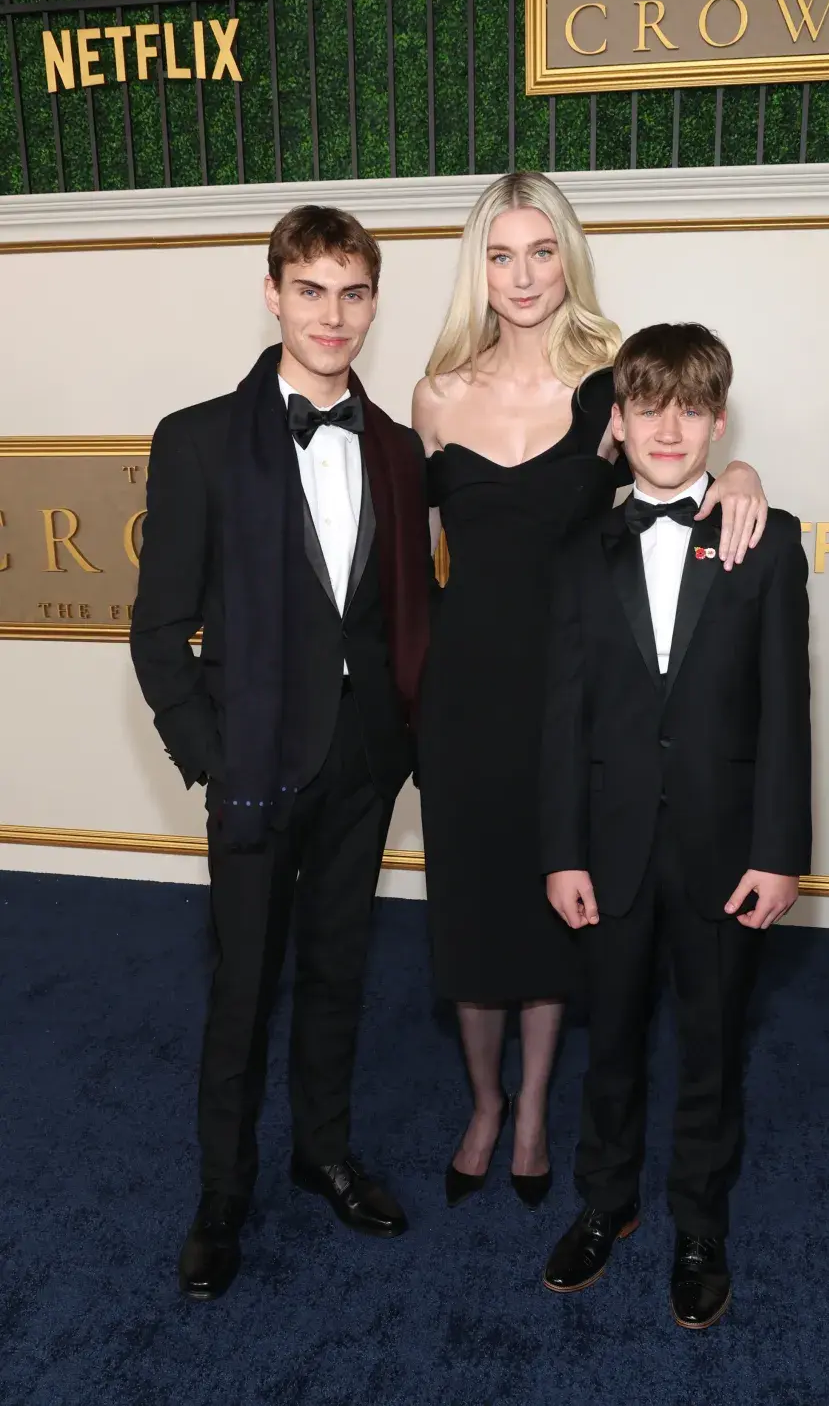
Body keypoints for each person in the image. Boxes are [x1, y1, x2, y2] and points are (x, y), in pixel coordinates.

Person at [411, 172, 769, 1209]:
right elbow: (422, 554)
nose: (523, 275)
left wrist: (741, 479)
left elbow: (685, 458)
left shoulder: (613, 382)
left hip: (577, 692)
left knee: (554, 901)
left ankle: (533, 1113)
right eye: (501, 253)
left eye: (542, 250)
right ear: (478, 266)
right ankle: (486, 1101)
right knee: (473, 908)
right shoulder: (436, 395)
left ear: (569, 255)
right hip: (465, 692)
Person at [130, 206, 433, 1300]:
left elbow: (420, 604)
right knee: (242, 988)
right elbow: (157, 627)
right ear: (273, 294)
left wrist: (401, 741)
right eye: (312, 290)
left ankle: (324, 1151)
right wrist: (211, 754)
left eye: (354, 293)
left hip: (362, 763)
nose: (333, 315)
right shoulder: (199, 437)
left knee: (340, 972)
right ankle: (223, 1192)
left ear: (373, 304)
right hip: (253, 762)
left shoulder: (397, 447)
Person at [540, 322, 812, 1327]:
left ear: (718, 419)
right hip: (606, 851)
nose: (668, 428)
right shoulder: (581, 548)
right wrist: (561, 852)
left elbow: (787, 710)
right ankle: (605, 1204)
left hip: (723, 849)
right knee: (608, 1039)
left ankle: (700, 1222)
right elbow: (560, 715)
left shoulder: (767, 539)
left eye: (690, 409)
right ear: (620, 419)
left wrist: (781, 854)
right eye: (647, 407)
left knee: (713, 1042)